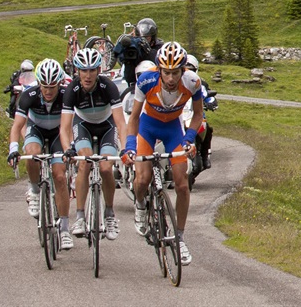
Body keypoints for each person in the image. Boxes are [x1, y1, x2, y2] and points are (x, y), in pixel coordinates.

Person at [121, 41, 204, 266]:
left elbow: (198, 116)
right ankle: (140, 206)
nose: (170, 78)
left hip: (173, 130)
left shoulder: (192, 82)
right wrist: (130, 145)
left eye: (175, 73)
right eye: (166, 73)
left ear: (183, 70)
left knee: (182, 184)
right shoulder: (146, 80)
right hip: (147, 128)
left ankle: (179, 237)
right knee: (142, 178)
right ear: (159, 70)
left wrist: (189, 139)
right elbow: (134, 117)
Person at [60, 48, 128, 241]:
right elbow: (64, 127)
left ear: (99, 71)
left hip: (107, 126)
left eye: (91, 70)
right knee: (85, 162)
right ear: (77, 71)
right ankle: (80, 216)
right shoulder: (72, 90)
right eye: (83, 70)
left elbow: (121, 123)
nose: (87, 75)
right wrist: (67, 149)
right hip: (83, 126)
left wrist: (124, 148)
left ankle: (109, 214)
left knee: (106, 168)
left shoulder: (108, 87)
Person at [7, 59, 75, 249]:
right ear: (39, 83)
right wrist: (13, 149)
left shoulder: (65, 95)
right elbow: (17, 126)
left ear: (60, 84)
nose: (48, 91)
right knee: (32, 153)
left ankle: (64, 229)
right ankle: (35, 191)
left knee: (60, 176)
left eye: (52, 87)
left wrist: (70, 148)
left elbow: (69, 127)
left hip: (57, 134)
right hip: (35, 129)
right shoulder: (29, 95)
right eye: (44, 86)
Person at [186, 54, 217, 169]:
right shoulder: (177, 82)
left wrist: (211, 102)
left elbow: (209, 95)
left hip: (197, 115)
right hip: (182, 115)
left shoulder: (201, 83)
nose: (188, 72)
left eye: (191, 69)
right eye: (185, 69)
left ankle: (204, 156)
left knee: (208, 129)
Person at [114, 18, 164, 87]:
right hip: (134, 83)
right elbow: (127, 75)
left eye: (147, 38)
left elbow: (163, 65)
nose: (143, 40)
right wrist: (128, 61)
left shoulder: (160, 47)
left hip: (156, 81)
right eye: (139, 38)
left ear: (152, 37)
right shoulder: (133, 48)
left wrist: (149, 52)